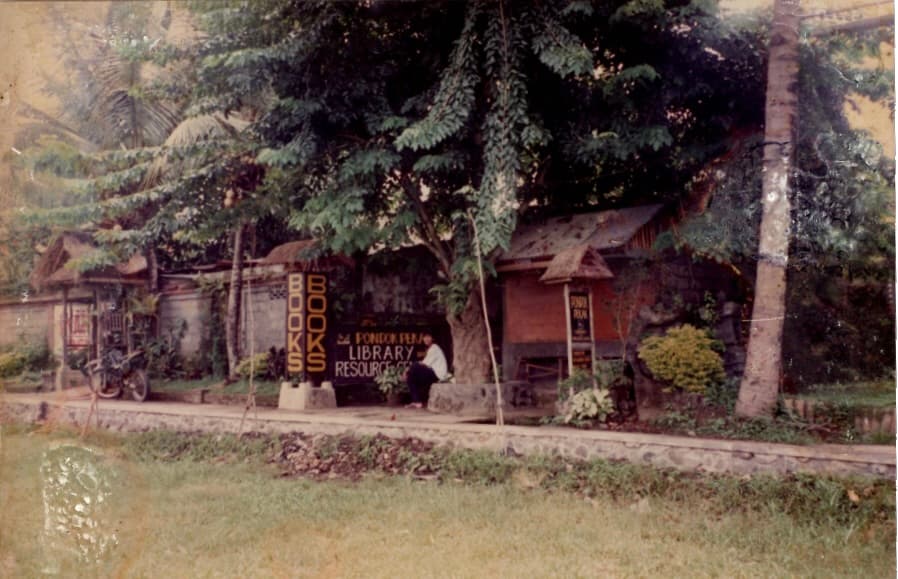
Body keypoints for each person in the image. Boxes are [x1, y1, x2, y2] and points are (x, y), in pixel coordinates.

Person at [404, 332, 448, 409]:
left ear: (433, 338)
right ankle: (417, 402)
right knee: (410, 378)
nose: (426, 339)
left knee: (414, 366)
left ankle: (417, 401)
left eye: (428, 337)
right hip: (433, 373)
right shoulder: (431, 348)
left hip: (438, 375)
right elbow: (424, 364)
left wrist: (406, 371)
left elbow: (423, 364)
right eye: (425, 337)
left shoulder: (435, 348)